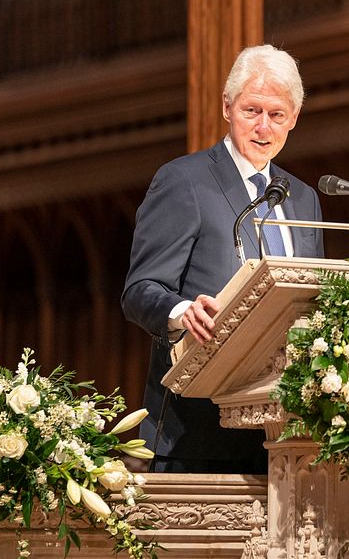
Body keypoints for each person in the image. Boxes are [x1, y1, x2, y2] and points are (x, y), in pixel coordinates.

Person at [122, 45, 324, 473]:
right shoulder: (184, 181)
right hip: (196, 431)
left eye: (277, 114)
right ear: (227, 108)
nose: (264, 127)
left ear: (294, 119)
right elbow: (140, 291)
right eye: (252, 110)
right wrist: (182, 311)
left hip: (286, 438)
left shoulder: (302, 198)